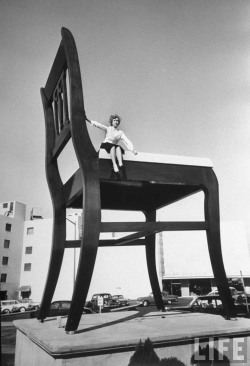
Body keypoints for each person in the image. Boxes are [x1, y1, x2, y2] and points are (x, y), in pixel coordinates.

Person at [86, 114, 137, 180]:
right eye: (115, 120)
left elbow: (126, 140)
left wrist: (132, 149)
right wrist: (88, 120)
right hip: (106, 144)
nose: (116, 122)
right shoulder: (108, 128)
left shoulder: (120, 132)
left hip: (114, 146)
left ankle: (121, 165)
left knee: (118, 147)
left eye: (117, 121)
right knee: (113, 147)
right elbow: (98, 125)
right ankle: (114, 165)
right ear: (112, 121)